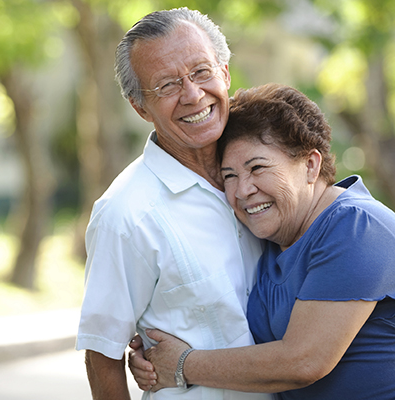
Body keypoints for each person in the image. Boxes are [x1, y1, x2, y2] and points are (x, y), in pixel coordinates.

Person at [129, 83, 395, 399]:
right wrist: (152, 348)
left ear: (311, 165)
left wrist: (182, 365)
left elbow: (303, 361)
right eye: (229, 176)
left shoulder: (357, 226)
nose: (243, 190)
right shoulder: (273, 238)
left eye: (257, 168)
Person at [76, 7, 271, 400]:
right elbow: (102, 354)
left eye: (202, 72)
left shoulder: (266, 174)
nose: (193, 95)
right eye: (166, 85)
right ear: (139, 107)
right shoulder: (126, 214)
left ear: (225, 74)